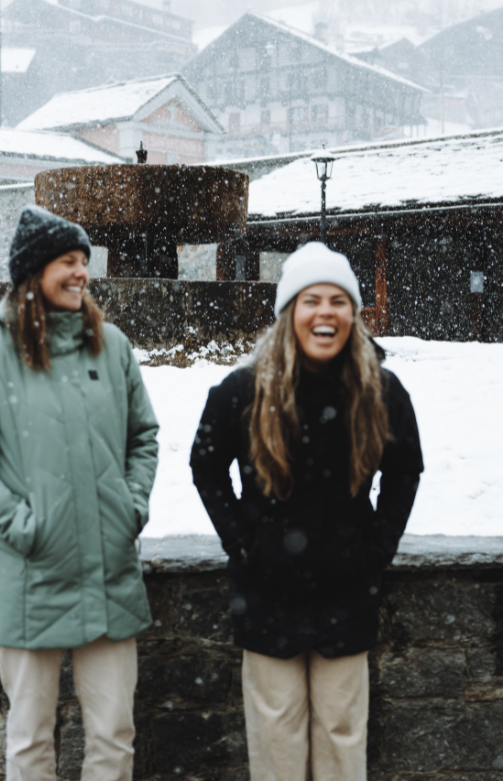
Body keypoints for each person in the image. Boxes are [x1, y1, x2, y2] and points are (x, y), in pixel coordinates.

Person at [190, 242, 423, 781]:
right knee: (276, 746)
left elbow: (405, 470)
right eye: (311, 300)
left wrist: (375, 550)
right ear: (289, 312)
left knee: (343, 741)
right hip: (267, 595)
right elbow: (205, 465)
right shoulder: (242, 391)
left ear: (353, 313)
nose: (325, 312)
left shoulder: (381, 390)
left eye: (338, 301)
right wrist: (244, 544)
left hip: (347, 593)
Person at [0, 205, 159, 781]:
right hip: (30, 580)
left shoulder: (111, 347)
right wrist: (23, 525)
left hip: (109, 574)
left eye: (84, 261)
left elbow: (144, 436)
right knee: (31, 741)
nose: (81, 272)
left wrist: (130, 507)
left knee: (114, 737)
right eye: (68, 261)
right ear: (33, 270)